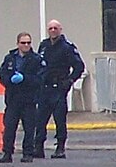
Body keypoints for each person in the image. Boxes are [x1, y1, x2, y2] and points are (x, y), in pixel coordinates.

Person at [35, 19, 86, 159]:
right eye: (50, 28)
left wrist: (69, 80)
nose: (52, 30)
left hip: (59, 88)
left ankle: (60, 147)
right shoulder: (44, 45)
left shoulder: (67, 47)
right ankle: (38, 147)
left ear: (60, 29)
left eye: (55, 28)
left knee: (59, 120)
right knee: (40, 120)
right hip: (44, 88)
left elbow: (79, 66)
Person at [0, 32, 43, 163]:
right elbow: (2, 74)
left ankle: (28, 153)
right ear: (18, 44)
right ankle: (7, 153)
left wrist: (24, 79)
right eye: (23, 43)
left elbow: (40, 79)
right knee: (9, 127)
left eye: (28, 42)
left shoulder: (36, 59)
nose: (26, 45)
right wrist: (10, 80)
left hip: (29, 99)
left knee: (29, 128)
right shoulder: (10, 58)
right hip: (13, 99)